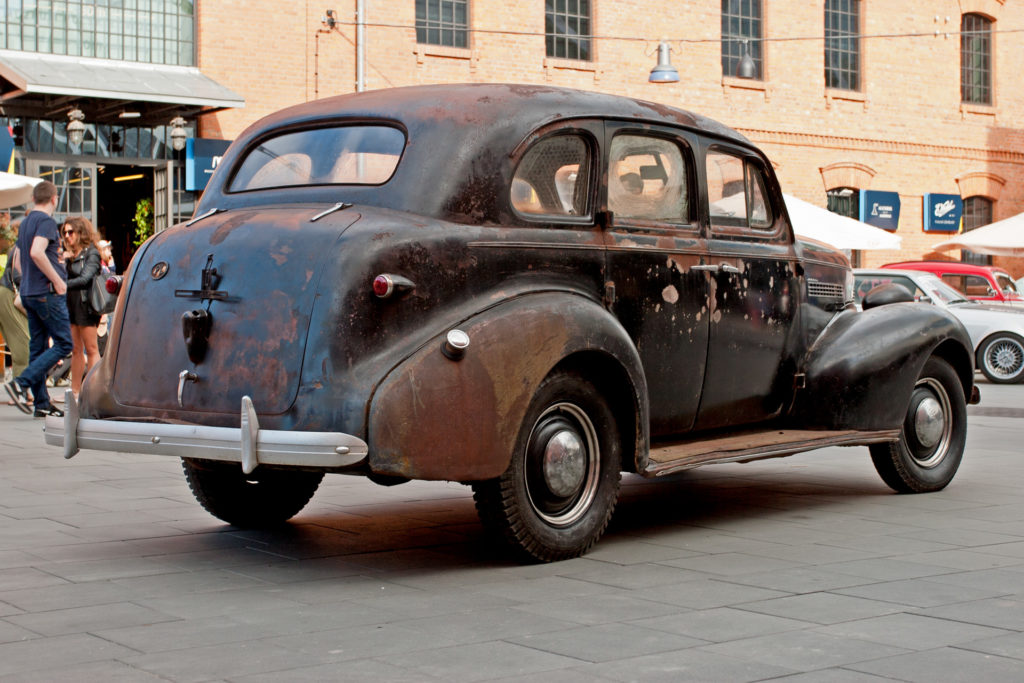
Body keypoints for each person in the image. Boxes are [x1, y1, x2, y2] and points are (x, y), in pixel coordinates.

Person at [3, 181, 71, 417]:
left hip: (30, 291)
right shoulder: (45, 221)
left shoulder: (26, 223)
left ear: (34, 199)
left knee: (38, 347)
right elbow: (36, 252)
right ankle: (21, 383)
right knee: (65, 344)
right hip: (46, 292)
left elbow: (21, 259)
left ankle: (41, 404)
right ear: (54, 198)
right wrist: (58, 280)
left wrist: (26, 284)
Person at [62, 216, 103, 397]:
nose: (67, 236)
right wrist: (63, 260)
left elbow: (86, 279)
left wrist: (63, 285)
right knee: (76, 349)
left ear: (80, 232)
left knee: (91, 348)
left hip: (86, 305)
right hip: (71, 304)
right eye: (64, 232)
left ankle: (91, 390)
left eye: (70, 232)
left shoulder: (91, 253)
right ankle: (75, 391)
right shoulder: (69, 255)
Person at [0, 221, 30, 394]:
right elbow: (18, 275)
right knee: (23, 344)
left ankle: (22, 390)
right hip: (10, 296)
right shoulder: (21, 248)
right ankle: (20, 390)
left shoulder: (18, 247)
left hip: (6, 294)